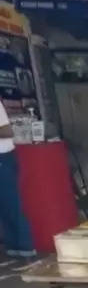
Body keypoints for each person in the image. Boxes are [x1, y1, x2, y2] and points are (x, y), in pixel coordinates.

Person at [0, 106, 36, 258]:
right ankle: (13, 248)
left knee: (11, 204)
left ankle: (26, 248)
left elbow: (8, 131)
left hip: (3, 157)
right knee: (2, 208)